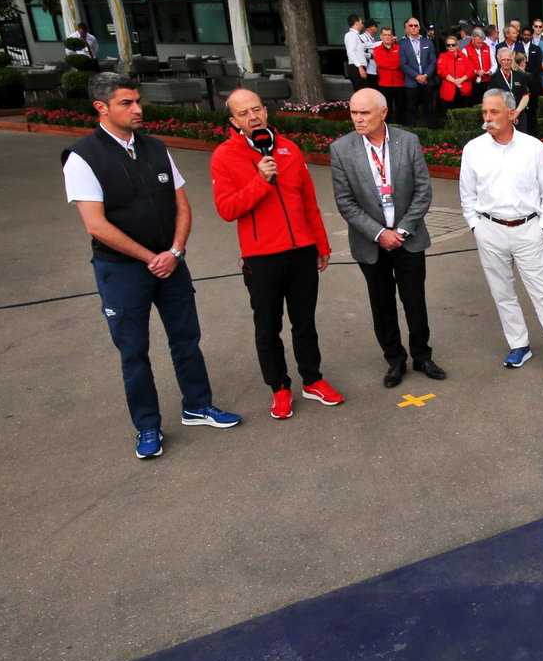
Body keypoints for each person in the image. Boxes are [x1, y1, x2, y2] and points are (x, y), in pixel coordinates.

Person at [62, 73, 240, 459]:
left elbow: (181, 204)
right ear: (101, 107)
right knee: (134, 351)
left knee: (186, 338)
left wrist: (174, 252)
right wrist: (149, 258)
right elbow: (96, 224)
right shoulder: (82, 157)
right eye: (127, 103)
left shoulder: (156, 147)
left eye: (137, 101)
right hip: (123, 273)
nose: (138, 109)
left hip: (171, 264)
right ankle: (147, 426)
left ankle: (197, 405)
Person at [210, 89, 341, 420]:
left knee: (304, 322)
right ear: (234, 121)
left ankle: (312, 379)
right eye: (244, 113)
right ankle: (279, 388)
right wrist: (259, 180)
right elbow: (226, 209)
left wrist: (320, 245)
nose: (253, 117)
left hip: (301, 251)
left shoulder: (289, 148)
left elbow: (308, 201)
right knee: (267, 326)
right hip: (262, 257)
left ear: (266, 110)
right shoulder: (224, 156)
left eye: (257, 109)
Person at [459, 89, 543, 375]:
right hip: (489, 230)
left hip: (528, 230)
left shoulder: (533, 148)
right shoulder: (474, 149)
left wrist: (542, 226)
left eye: (494, 112)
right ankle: (519, 345)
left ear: (511, 114)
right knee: (502, 292)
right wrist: (475, 226)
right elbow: (467, 193)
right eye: (484, 112)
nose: (488, 118)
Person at [328, 88, 445, 389]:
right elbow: (345, 202)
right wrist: (380, 234)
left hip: (409, 239)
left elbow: (423, 192)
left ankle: (422, 356)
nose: (357, 119)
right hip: (371, 243)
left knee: (414, 302)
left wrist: (402, 231)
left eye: (364, 113)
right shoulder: (341, 149)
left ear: (383, 113)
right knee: (382, 305)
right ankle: (395, 360)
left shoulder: (408, 142)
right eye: (353, 112)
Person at [398, 16, 437, 129]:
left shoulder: (428, 42)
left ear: (419, 27)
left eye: (416, 25)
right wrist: (417, 76)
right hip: (412, 82)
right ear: (406, 28)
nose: (414, 28)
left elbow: (433, 61)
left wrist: (425, 76)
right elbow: (403, 64)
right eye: (411, 26)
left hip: (427, 81)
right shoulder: (402, 44)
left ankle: (433, 133)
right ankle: (411, 133)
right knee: (411, 109)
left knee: (429, 108)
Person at [369, 28, 406, 122]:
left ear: (392, 36)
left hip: (399, 83)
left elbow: (401, 63)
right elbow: (381, 63)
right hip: (385, 84)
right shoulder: (377, 49)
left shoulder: (399, 48)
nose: (387, 37)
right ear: (381, 36)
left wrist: (393, 64)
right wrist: (395, 64)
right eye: (385, 35)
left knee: (401, 109)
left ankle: (401, 129)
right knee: (386, 109)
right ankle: (388, 130)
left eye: (389, 35)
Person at [343, 14, 369, 82]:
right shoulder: (351, 35)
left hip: (359, 66)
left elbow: (359, 52)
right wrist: (360, 67)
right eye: (361, 23)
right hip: (356, 67)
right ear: (356, 23)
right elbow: (350, 52)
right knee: (361, 90)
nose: (362, 25)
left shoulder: (356, 35)